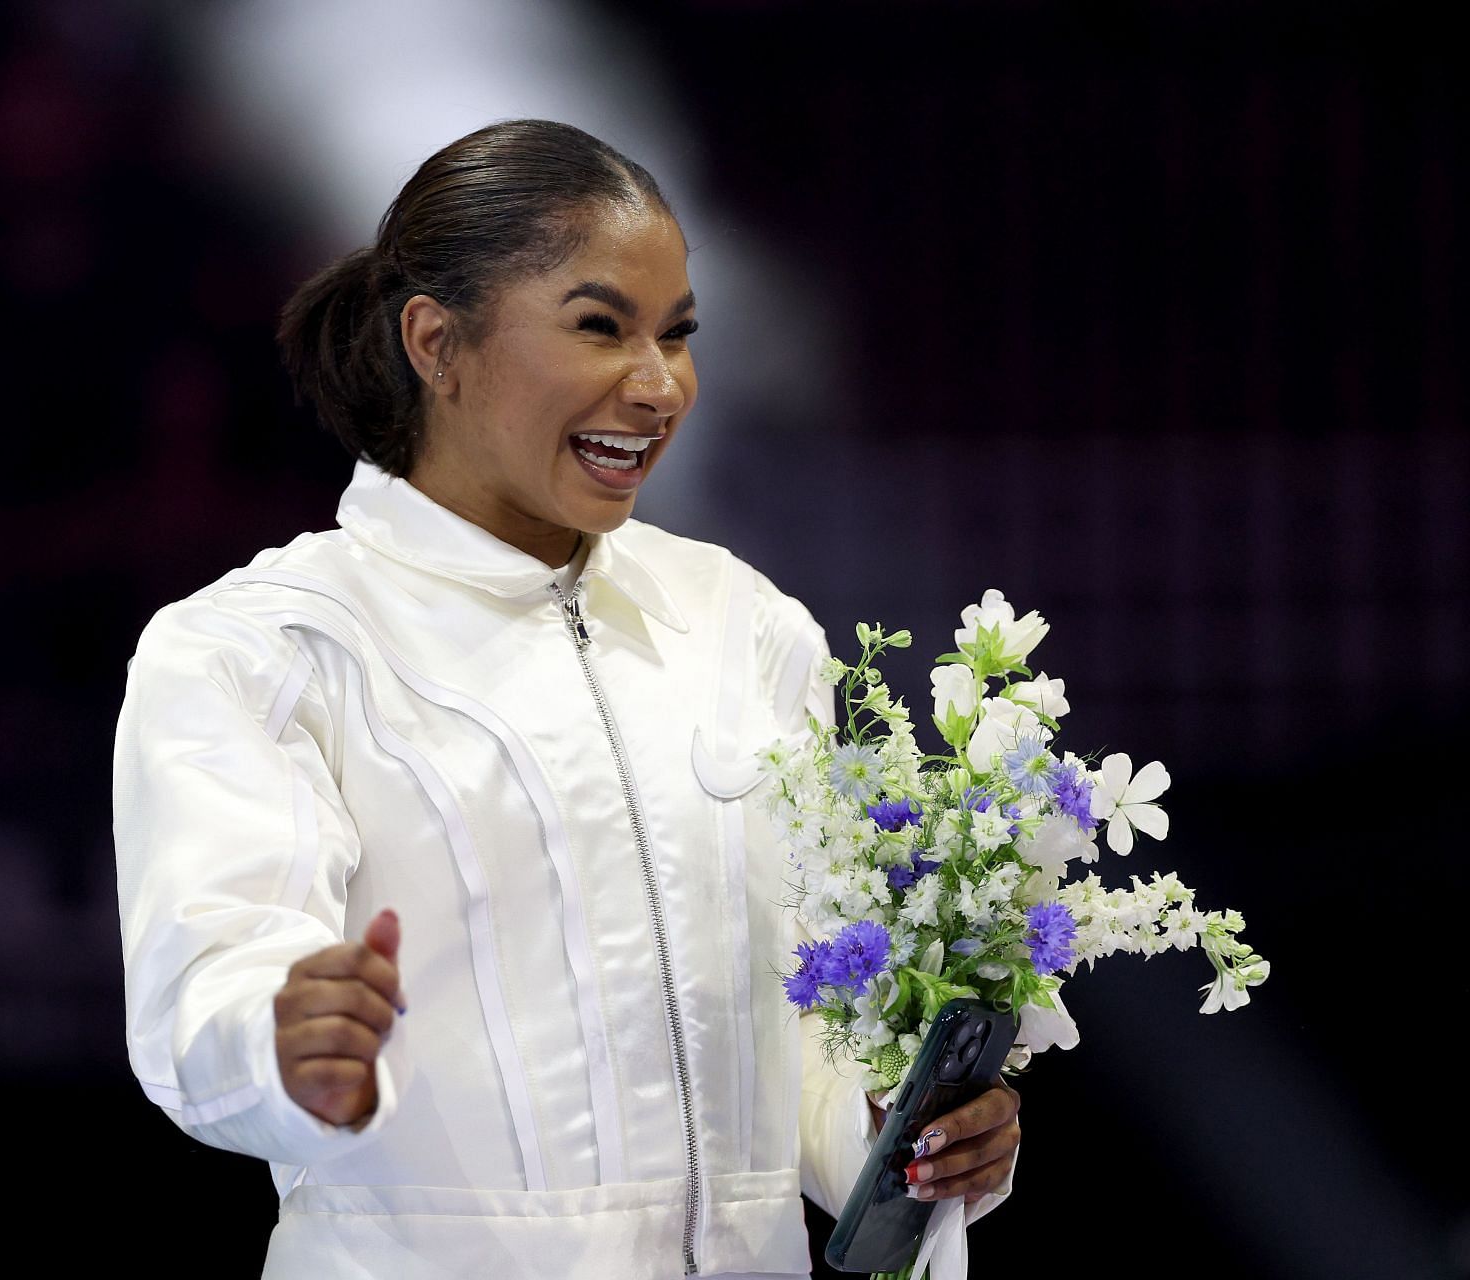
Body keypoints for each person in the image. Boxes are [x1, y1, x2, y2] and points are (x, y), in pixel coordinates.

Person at [112, 119, 1020, 1278]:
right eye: (600, 326)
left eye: (679, 336)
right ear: (437, 342)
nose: (659, 386)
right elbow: (209, 993)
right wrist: (283, 1040)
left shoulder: (744, 623)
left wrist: (912, 1139)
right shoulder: (259, 646)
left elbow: (801, 1018)